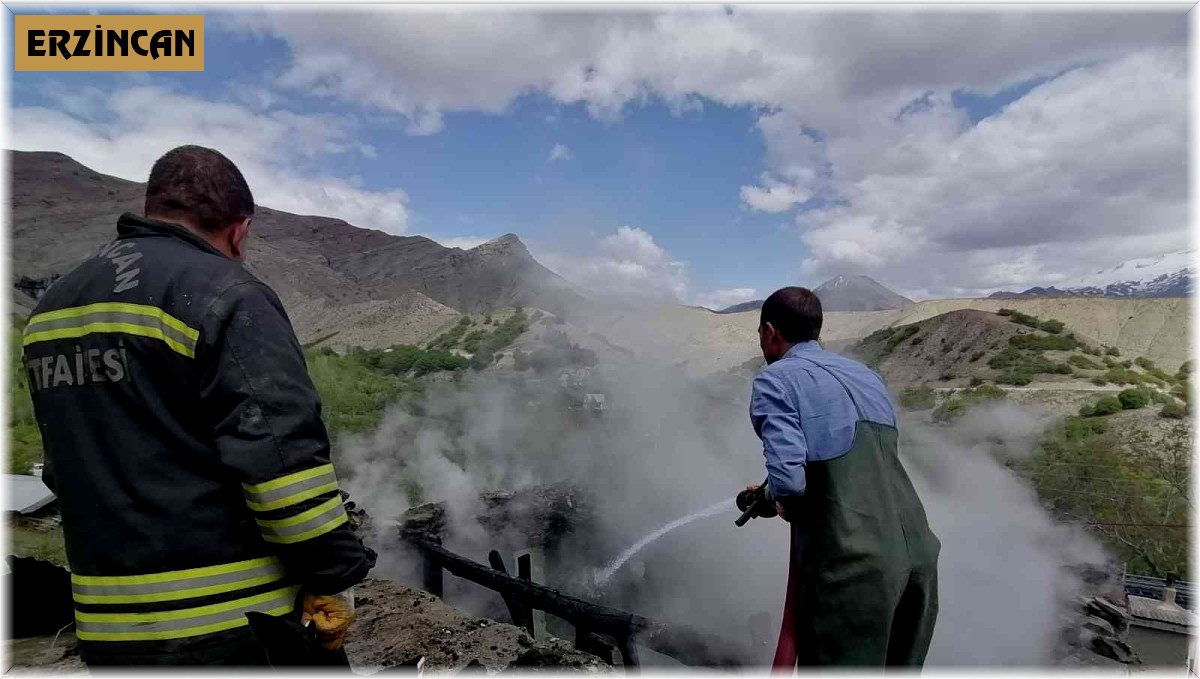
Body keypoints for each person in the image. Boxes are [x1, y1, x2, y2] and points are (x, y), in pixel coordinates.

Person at [22, 145, 373, 666]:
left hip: (108, 629)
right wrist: (335, 574)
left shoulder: (52, 309)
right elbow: (282, 470)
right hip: (239, 628)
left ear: (153, 208)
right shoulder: (227, 293)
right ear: (239, 229)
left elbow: (65, 467)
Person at [747, 286, 940, 668]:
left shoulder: (776, 379)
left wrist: (768, 500)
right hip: (918, 559)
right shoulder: (864, 375)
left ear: (770, 332)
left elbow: (788, 483)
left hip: (853, 570)